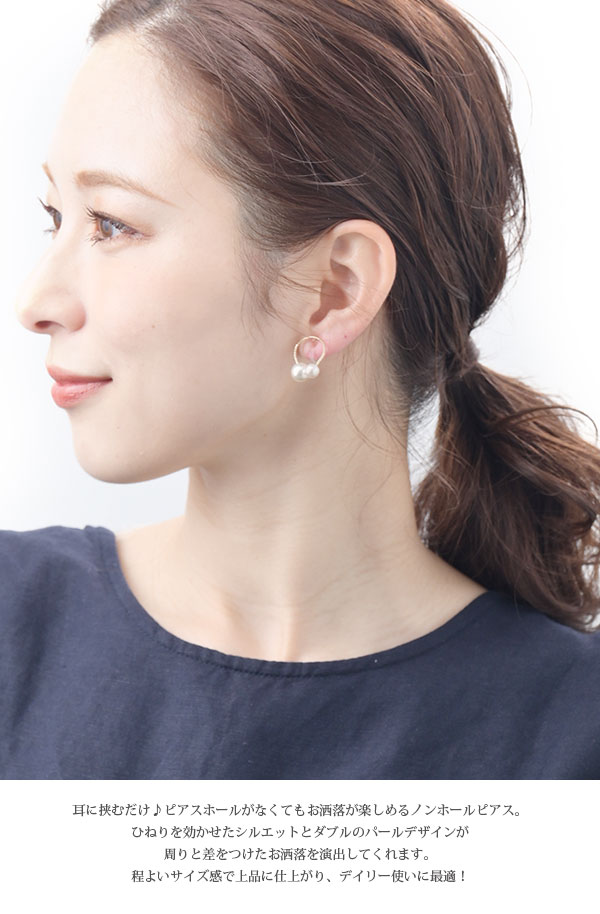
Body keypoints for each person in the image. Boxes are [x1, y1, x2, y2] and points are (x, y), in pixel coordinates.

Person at [1, 0, 600, 780]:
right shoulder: (14, 625)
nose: (36, 302)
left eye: (113, 224)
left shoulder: (573, 736)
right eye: (57, 217)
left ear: (334, 290)